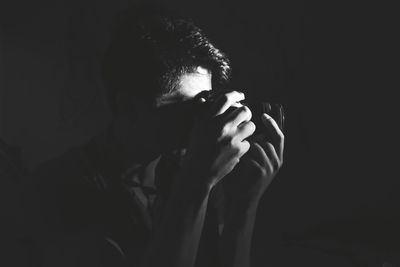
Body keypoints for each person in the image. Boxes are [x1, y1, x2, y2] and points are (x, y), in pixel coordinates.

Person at [19, 5, 284, 267]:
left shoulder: (180, 169)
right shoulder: (56, 188)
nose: (205, 123)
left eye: (207, 104)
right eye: (189, 108)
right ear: (129, 108)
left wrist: (244, 207)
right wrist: (197, 183)